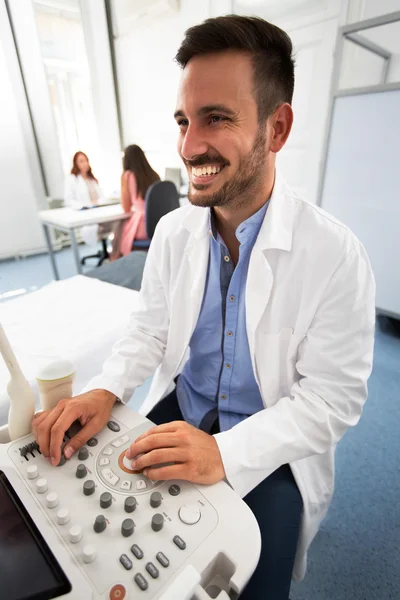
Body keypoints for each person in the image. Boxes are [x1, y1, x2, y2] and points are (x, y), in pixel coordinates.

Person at [33, 15, 376, 599]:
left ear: (278, 127)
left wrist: (225, 452)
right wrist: (105, 389)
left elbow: (332, 399)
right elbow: (149, 331)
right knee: (111, 551)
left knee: (250, 585)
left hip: (268, 445)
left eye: (216, 118)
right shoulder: (173, 233)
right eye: (184, 121)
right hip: (180, 409)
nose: (190, 146)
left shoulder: (335, 255)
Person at [111, 145, 160, 259]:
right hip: (158, 224)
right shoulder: (154, 174)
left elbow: (126, 207)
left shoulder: (127, 176)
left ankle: (114, 259)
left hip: (143, 227)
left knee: (118, 227)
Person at [64, 151, 108, 247]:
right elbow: (69, 200)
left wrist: (97, 202)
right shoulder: (72, 179)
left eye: (86, 161)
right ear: (76, 164)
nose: (85, 164)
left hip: (99, 212)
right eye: (81, 161)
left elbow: (102, 197)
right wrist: (85, 205)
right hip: (85, 215)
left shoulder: (92, 179)